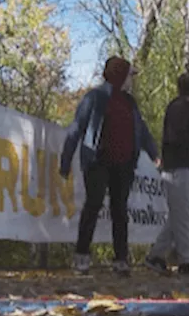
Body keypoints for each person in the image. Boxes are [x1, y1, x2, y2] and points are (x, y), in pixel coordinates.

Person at [60, 56, 158, 277]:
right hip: (98, 161)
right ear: (119, 75)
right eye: (129, 76)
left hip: (124, 164)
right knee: (93, 206)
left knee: (120, 211)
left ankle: (121, 259)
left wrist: (153, 153)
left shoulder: (130, 102)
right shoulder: (95, 97)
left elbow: (140, 129)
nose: (131, 81)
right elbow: (76, 129)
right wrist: (65, 161)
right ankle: (81, 256)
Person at [146, 73, 189, 277]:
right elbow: (180, 137)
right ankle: (185, 261)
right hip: (179, 168)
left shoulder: (180, 108)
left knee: (177, 215)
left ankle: (156, 255)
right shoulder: (181, 109)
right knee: (183, 216)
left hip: (182, 167)